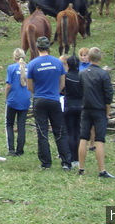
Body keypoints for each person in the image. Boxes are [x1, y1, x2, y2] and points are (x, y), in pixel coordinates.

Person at [26, 36, 71, 170]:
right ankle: (66, 162)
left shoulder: (33, 64)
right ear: (48, 48)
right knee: (60, 130)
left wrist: (39, 93)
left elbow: (29, 86)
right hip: (54, 99)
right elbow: (62, 83)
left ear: (37, 48)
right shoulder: (57, 62)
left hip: (39, 100)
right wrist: (54, 92)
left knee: (42, 131)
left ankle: (46, 163)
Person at [77, 47, 115, 179]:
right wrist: (108, 111)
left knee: (83, 138)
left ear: (88, 58)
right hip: (99, 109)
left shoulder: (82, 73)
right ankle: (102, 170)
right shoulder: (103, 74)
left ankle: (81, 168)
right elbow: (108, 95)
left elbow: (80, 91)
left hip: (85, 109)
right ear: (100, 58)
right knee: (100, 139)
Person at [5, 48, 30, 156]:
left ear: (14, 57)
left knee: (9, 124)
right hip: (25, 99)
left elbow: (8, 85)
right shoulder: (29, 67)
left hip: (13, 99)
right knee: (21, 125)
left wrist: (6, 97)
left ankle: (11, 149)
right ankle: (20, 150)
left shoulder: (11, 68)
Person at [63, 55, 83, 169]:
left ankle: (70, 157)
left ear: (68, 65)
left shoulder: (66, 77)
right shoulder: (83, 76)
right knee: (78, 132)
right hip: (81, 106)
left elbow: (62, 89)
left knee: (70, 132)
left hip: (69, 106)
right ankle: (78, 158)